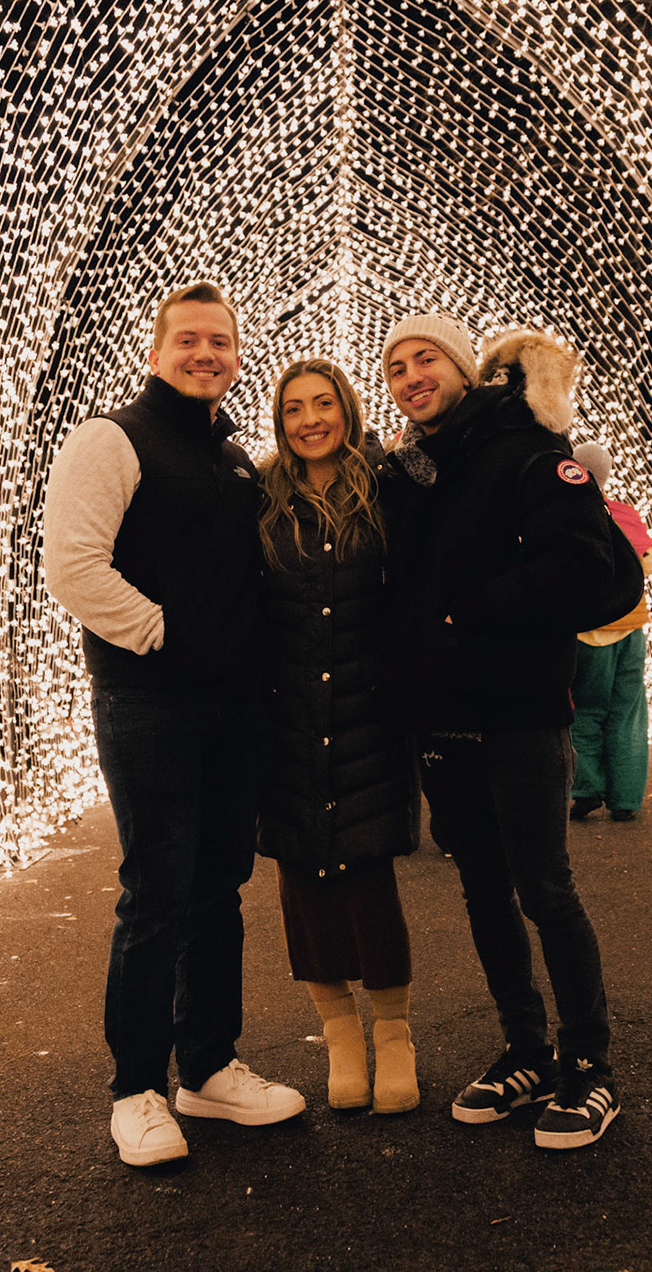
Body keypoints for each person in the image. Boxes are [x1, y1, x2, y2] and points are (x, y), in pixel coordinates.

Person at [41, 282, 304, 1168]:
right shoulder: (112, 439)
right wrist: (166, 638)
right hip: (150, 702)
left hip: (235, 708)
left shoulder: (233, 459)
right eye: (188, 340)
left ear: (236, 356)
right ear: (156, 353)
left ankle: (209, 1067)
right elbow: (74, 566)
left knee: (218, 888)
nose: (205, 354)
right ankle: (136, 1089)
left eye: (219, 342)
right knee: (156, 891)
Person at [378, 313, 642, 1150]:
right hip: (443, 713)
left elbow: (584, 565)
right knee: (483, 888)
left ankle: (590, 1064)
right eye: (395, 367)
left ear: (465, 369)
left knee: (544, 888)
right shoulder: (411, 471)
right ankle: (526, 1048)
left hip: (520, 707)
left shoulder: (527, 449)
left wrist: (471, 613)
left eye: (426, 358)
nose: (411, 376)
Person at [255, 359, 422, 1115]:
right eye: (295, 408)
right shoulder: (262, 499)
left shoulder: (385, 488)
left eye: (324, 404)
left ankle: (394, 1035)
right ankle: (339, 1038)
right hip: (287, 715)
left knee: (367, 874)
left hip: (369, 710)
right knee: (304, 877)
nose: (310, 420)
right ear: (280, 420)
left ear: (348, 411)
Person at [568, 440, 652, 824]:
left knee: (584, 710)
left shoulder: (569, 513)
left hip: (586, 630)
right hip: (631, 627)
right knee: (628, 714)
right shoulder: (626, 513)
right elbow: (647, 563)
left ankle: (586, 789)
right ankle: (626, 798)